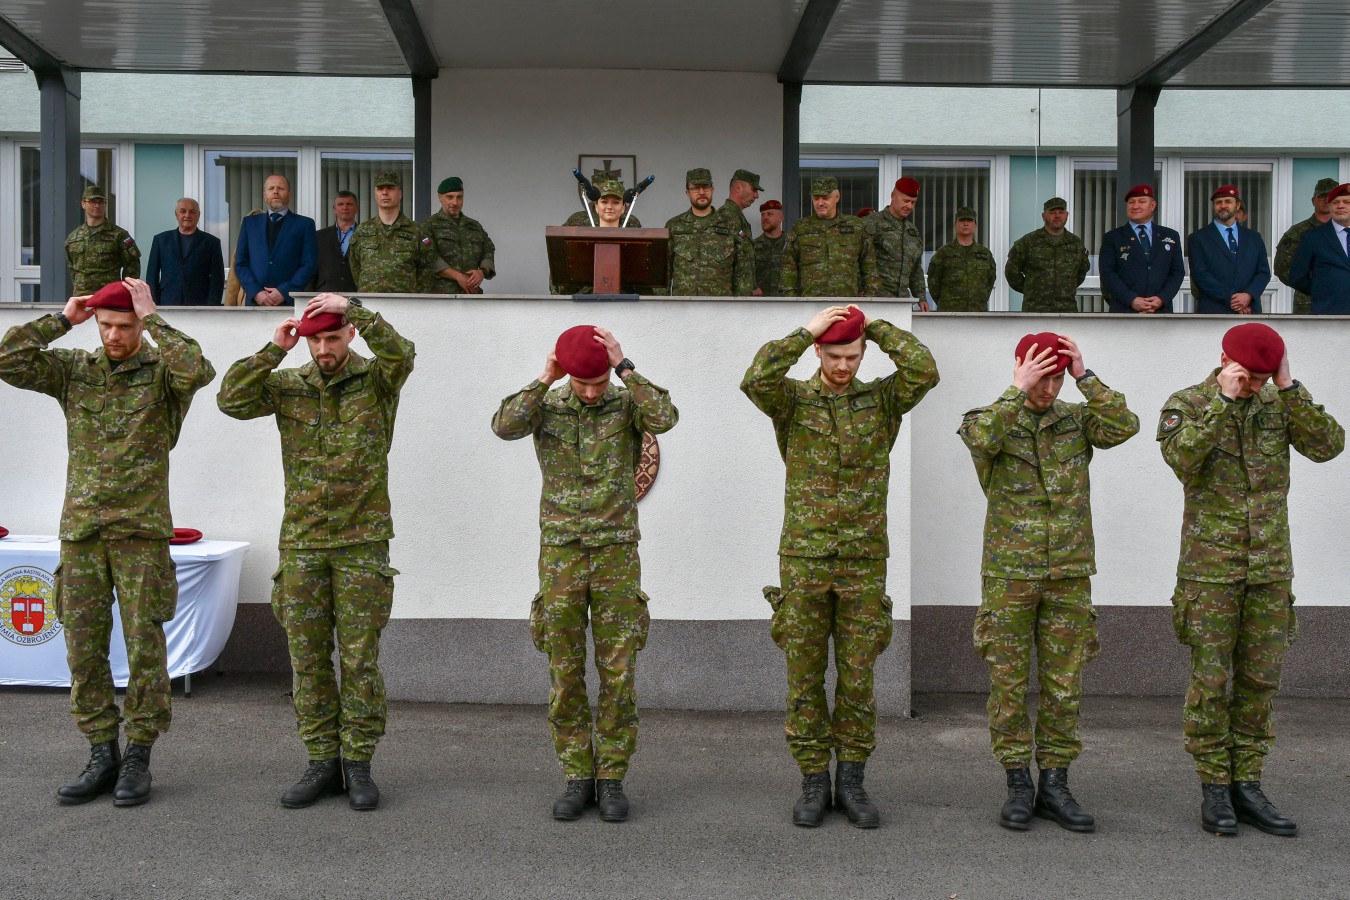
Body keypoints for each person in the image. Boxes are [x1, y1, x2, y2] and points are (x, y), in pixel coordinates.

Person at [0, 278, 214, 807]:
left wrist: (154, 316)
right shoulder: (76, 370)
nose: (114, 335)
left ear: (139, 324)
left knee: (144, 648)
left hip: (140, 532)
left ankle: (138, 754)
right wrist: (62, 320)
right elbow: (7, 360)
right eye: (105, 326)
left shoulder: (163, 373)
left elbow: (198, 370)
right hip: (83, 533)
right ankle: (101, 751)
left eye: (123, 325)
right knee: (83, 648)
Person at [741, 305, 939, 828]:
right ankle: (813, 780)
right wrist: (805, 330)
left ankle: (851, 780)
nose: (844, 365)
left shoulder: (883, 401)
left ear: (864, 352)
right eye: (834, 355)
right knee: (804, 675)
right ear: (818, 352)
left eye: (852, 355)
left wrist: (875, 326)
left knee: (857, 676)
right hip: (804, 557)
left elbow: (924, 370)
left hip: (863, 558)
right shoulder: (791, 399)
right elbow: (756, 378)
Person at [217, 293, 414, 811]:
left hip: (361, 542)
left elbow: (403, 353)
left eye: (332, 337)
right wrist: (274, 349)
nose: (324, 349)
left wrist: (355, 306)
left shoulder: (377, 380)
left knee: (360, 660)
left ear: (349, 335)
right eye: (316, 341)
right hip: (303, 542)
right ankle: (321, 760)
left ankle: (359, 764)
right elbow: (231, 399)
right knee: (307, 660)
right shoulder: (289, 385)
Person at [1158, 323, 1342, 836]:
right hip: (1211, 570)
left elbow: (1329, 446)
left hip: (1269, 568)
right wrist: (1223, 402)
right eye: (1249, 378)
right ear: (1225, 360)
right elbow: (1182, 459)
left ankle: (1249, 782)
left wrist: (1289, 387)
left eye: (1262, 379)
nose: (1254, 387)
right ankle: (1215, 786)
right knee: (1212, 681)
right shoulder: (1189, 403)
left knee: (1260, 682)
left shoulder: (1278, 402)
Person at [491, 325, 678, 823]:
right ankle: (577, 776)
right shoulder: (547, 405)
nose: (592, 393)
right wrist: (545, 377)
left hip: (616, 552)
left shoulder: (627, 402)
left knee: (618, 672)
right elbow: (504, 426)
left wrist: (624, 367)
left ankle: (611, 777)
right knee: (565, 669)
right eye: (582, 383)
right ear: (567, 374)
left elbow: (666, 417)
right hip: (562, 555)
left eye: (598, 383)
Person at [959, 333, 1138, 833]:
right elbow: (979, 441)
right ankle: (1018, 783)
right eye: (1043, 376)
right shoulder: (989, 417)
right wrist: (1018, 389)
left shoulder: (1077, 420)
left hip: (1068, 572)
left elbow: (1123, 426)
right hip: (1010, 574)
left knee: (1064, 684)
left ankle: (1056, 784)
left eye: (1057, 378)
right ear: (1020, 367)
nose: (1049, 388)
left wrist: (1085, 376)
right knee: (1009, 683)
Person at [780, 177, 880, 298]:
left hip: (846, 303)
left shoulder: (856, 227)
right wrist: (791, 300)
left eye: (825, 198)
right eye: (816, 198)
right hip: (809, 303)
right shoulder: (800, 228)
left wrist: (870, 299)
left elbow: (869, 267)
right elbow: (788, 267)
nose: (820, 203)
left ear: (837, 197)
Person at [348, 171, 443, 294]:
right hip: (370, 301)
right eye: (380, 189)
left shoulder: (416, 231)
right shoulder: (362, 231)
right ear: (375, 194)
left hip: (405, 301)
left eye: (390, 188)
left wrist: (414, 296)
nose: (385, 192)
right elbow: (355, 267)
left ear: (400, 194)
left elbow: (426, 269)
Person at [664, 168, 755, 296]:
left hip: (720, 305)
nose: (701, 192)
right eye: (695, 188)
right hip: (684, 305)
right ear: (687, 193)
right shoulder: (674, 226)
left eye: (706, 187)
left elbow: (744, 271)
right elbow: (663, 272)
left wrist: (739, 306)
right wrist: (662, 305)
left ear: (712, 190)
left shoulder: (730, 225)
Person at [233, 173, 318, 307]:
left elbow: (309, 265)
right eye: (271, 188)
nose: (275, 191)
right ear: (264, 195)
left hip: (290, 303)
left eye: (281, 188)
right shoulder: (249, 224)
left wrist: (285, 291)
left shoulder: (305, 224)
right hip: (255, 303)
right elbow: (240, 264)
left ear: (289, 194)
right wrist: (256, 292)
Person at [1098, 184, 1185, 314]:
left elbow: (1177, 272)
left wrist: (1161, 298)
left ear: (1153, 205)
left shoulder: (1170, 236)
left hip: (1160, 311)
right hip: (1124, 311)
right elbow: (1107, 273)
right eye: (1131, 202)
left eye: (1142, 201)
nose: (1135, 206)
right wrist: (1132, 300)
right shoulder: (1113, 237)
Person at [552, 180, 650, 295]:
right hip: (585, 300)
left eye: (616, 202)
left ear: (623, 208)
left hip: (626, 301)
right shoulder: (582, 239)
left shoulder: (634, 239)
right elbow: (562, 276)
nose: (609, 207)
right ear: (596, 207)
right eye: (604, 202)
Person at [1186, 185, 1271, 315]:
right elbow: (1200, 275)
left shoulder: (1254, 238)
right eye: (1218, 202)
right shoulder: (1198, 238)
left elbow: (1263, 272)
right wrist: (1233, 300)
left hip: (1249, 310)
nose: (1223, 205)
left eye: (1228, 201)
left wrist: (1248, 295)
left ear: (1237, 206)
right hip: (1214, 311)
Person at [1004, 197, 1091, 313]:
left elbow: (1081, 272)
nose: (1057, 216)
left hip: (1067, 309)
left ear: (1067, 215)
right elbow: (1011, 272)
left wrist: (1065, 289)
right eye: (1052, 212)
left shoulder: (1076, 243)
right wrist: (1031, 289)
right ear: (1043, 216)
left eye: (1061, 212)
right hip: (1035, 309)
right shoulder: (1028, 242)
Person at [1274, 178, 1337, 315]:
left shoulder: (1344, 231)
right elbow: (1281, 268)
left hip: (1342, 300)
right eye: (1321, 196)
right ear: (1313, 201)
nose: (1326, 200)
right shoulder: (1298, 232)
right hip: (1308, 302)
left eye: (1330, 196)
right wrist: (1312, 285)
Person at [145, 198, 225, 306]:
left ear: (199, 215)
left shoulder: (211, 242)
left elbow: (217, 279)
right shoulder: (161, 240)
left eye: (192, 212)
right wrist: (154, 304)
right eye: (183, 211)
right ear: (176, 214)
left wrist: (211, 307)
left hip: (200, 305)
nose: (187, 215)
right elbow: (152, 276)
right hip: (167, 303)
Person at [423, 176, 496, 294]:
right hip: (440, 296)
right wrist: (458, 277)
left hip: (471, 294)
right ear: (440, 197)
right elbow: (428, 256)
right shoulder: (429, 225)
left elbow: (488, 249)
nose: (455, 202)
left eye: (459, 197)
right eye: (450, 197)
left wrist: (482, 272)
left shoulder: (474, 226)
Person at [862, 177, 926, 306]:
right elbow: (858, 258)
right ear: (893, 196)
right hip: (875, 299)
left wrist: (921, 297)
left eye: (913, 202)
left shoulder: (912, 231)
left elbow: (915, 268)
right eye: (905, 201)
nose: (909, 206)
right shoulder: (872, 222)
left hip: (902, 301)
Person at [1287, 183, 1350, 314]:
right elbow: (1297, 277)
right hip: (1328, 312)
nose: (1340, 206)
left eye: (1347, 202)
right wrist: (1322, 290)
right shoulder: (1312, 237)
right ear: (1330, 207)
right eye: (1335, 202)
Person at [65, 186, 141, 295]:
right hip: (82, 297)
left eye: (100, 202)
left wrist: (125, 292)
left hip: (109, 297)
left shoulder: (119, 235)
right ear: (83, 204)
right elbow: (73, 269)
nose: (97, 205)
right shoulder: (73, 238)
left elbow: (132, 267)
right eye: (92, 201)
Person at [926, 206, 996, 312]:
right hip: (949, 311)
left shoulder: (985, 254)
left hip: (977, 312)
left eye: (969, 220)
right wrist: (947, 301)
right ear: (955, 225)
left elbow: (990, 280)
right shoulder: (944, 253)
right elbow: (933, 282)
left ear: (975, 225)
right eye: (962, 220)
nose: (966, 223)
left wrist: (979, 299)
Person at [311, 191, 359, 294]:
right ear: (334, 208)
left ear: (357, 208)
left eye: (349, 204)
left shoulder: (366, 235)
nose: (345, 207)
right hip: (325, 293)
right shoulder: (319, 236)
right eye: (340, 204)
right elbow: (311, 268)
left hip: (357, 294)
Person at [753, 200, 786, 297]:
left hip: (787, 301)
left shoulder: (791, 243)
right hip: (760, 301)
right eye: (762, 215)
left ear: (781, 218)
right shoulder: (753, 246)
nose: (765, 218)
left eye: (769, 214)